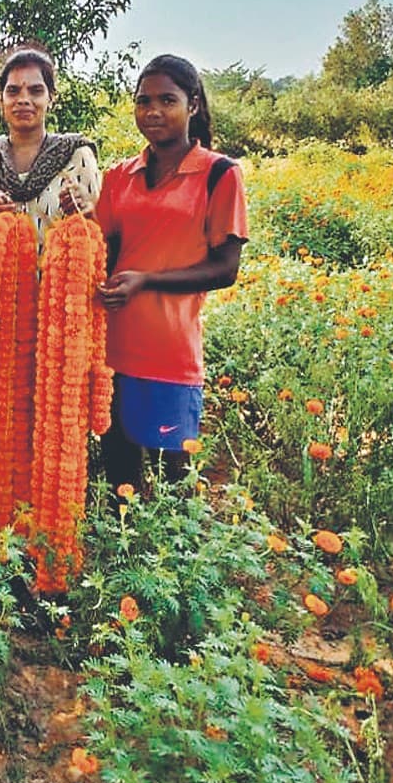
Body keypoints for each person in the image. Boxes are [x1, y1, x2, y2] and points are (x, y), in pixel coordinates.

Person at [95, 54, 247, 490]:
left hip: (169, 355)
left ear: (193, 105)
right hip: (112, 354)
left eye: (167, 100)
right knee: (121, 486)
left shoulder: (219, 174)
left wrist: (146, 280)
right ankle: (126, 562)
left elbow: (225, 268)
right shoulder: (119, 176)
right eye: (144, 102)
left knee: (173, 488)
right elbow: (102, 252)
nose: (153, 112)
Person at [0, 46, 101, 418]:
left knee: (49, 421)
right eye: (13, 91)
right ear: (0, 99)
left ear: (51, 97)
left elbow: (98, 237)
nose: (24, 100)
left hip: (55, 316)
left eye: (35, 90)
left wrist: (87, 211)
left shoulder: (76, 157)